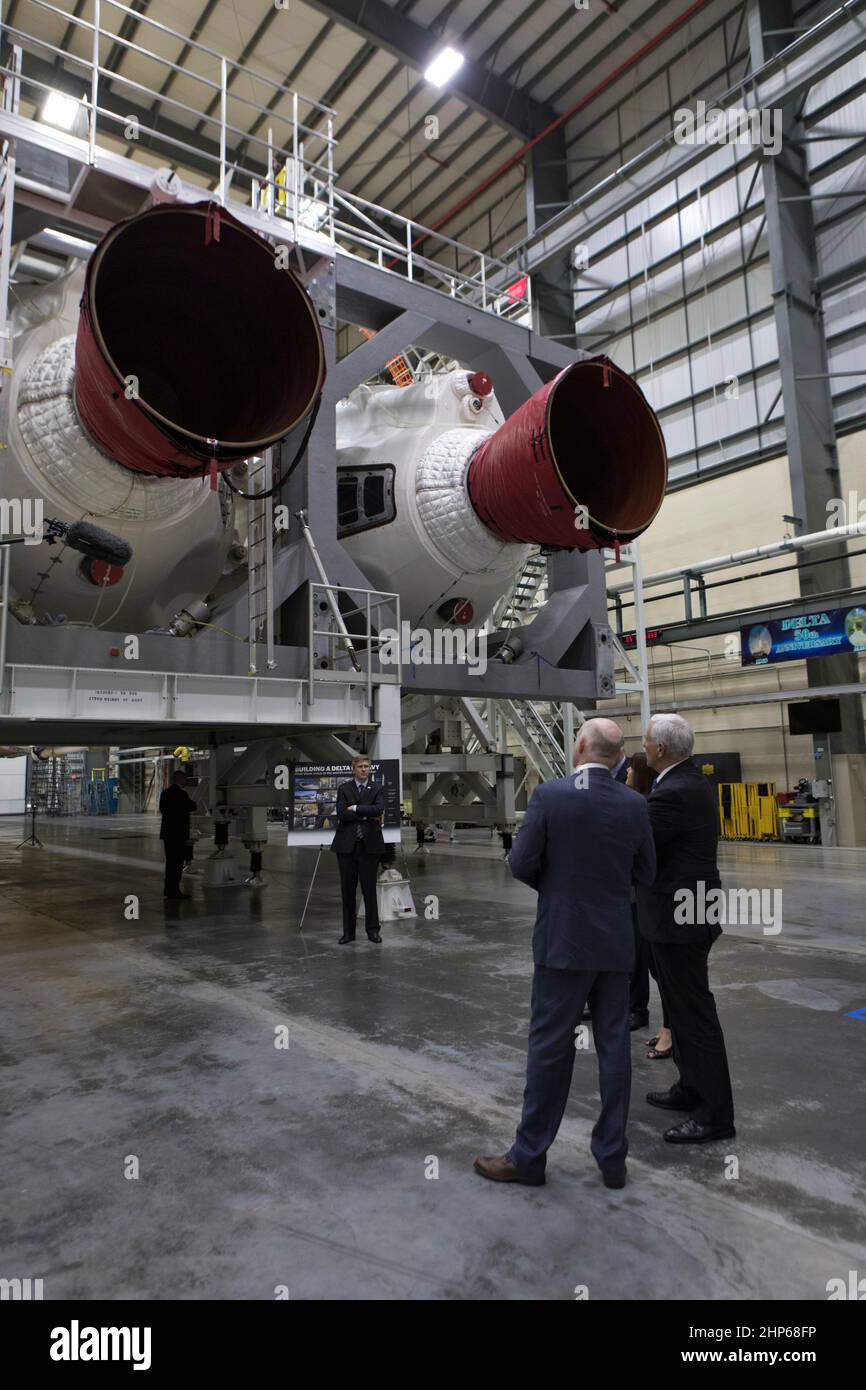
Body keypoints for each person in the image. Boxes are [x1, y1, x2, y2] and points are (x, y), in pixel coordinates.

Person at [474, 717, 657, 1191]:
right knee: (615, 1047)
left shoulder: (551, 795)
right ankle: (612, 1159)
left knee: (551, 1048)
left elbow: (520, 862)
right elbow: (647, 872)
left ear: (579, 747)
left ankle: (529, 1157)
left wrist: (556, 891)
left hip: (563, 942)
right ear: (618, 758)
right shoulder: (635, 804)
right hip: (616, 943)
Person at [637, 713, 736, 1144]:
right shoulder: (688, 780)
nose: (643, 748)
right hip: (689, 910)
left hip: (681, 916)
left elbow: (639, 845)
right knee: (680, 1008)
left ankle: (714, 1117)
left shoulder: (672, 792)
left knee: (693, 1015)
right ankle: (690, 1087)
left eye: (646, 743)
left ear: (659, 749)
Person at [626, 752, 671, 1060]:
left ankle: (669, 1029)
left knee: (656, 965)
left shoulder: (649, 807)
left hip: (646, 898)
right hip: (636, 896)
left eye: (630, 769)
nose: (626, 772)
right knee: (639, 959)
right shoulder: (640, 803)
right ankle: (664, 1025)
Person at [330, 754, 385, 944]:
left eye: (366, 766)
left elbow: (378, 810)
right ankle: (348, 933)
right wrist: (364, 813)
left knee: (369, 891)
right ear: (354, 769)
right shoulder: (344, 788)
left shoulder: (377, 788)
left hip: (370, 848)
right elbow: (341, 814)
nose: (364, 769)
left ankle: (373, 931)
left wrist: (355, 809)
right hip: (347, 848)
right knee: (348, 892)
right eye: (360, 766)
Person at [159, 769, 197, 901]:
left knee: (170, 863)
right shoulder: (182, 794)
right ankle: (175, 891)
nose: (185, 781)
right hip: (179, 834)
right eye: (184, 779)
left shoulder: (165, 792)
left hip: (167, 834)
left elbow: (162, 809)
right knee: (177, 864)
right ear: (180, 779)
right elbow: (192, 806)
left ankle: (168, 889)